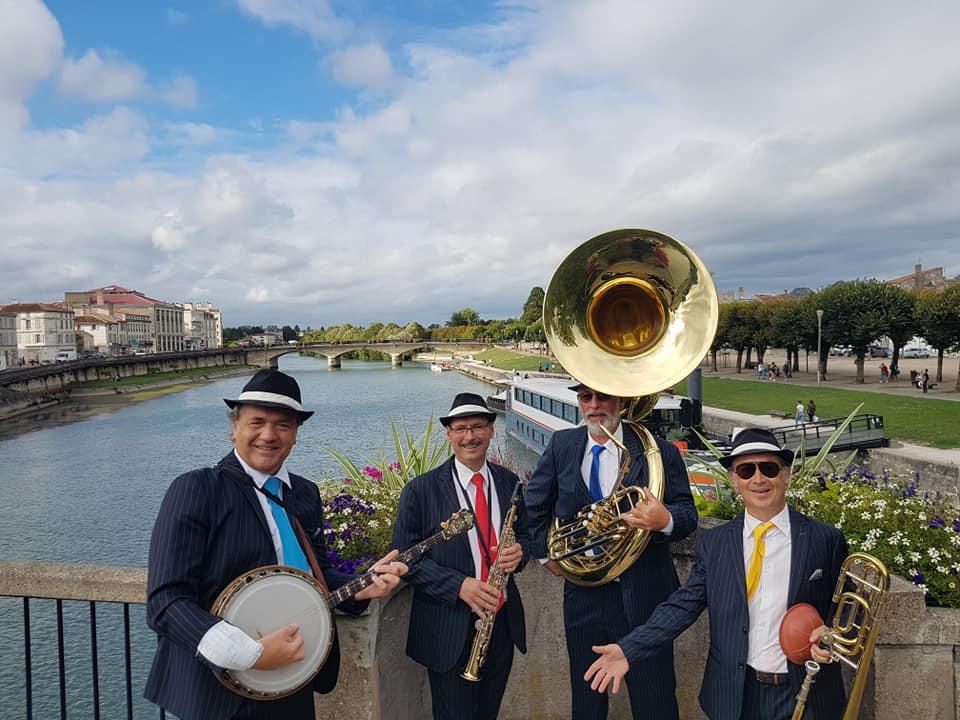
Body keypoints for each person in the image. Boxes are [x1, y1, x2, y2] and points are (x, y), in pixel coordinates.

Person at [145, 369, 407, 720]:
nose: (268, 435)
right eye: (257, 422)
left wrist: (362, 586)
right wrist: (249, 655)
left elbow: (316, 576)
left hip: (290, 681)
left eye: (283, 424)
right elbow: (165, 601)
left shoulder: (304, 494)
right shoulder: (198, 489)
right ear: (234, 426)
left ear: (296, 434)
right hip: (218, 694)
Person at [585, 427, 848, 720]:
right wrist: (628, 649)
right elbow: (682, 606)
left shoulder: (826, 540)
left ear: (786, 475)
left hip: (805, 693)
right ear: (735, 480)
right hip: (735, 694)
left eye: (769, 469)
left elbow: (844, 613)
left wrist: (828, 637)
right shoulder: (716, 543)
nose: (758, 479)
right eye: (746, 471)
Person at [525, 382, 698, 720]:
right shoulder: (563, 444)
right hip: (584, 598)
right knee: (587, 698)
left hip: (645, 595)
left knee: (656, 699)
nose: (593, 405)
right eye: (585, 397)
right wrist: (547, 557)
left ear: (621, 400)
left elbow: (688, 514)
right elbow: (534, 505)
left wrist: (664, 519)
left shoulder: (658, 451)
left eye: (602, 396)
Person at [392, 392, 528, 720]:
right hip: (448, 629)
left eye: (478, 427)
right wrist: (459, 586)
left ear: (492, 430)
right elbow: (404, 559)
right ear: (449, 434)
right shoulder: (420, 490)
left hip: (500, 625)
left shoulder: (509, 482)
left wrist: (521, 553)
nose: (470, 437)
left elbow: (522, 535)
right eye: (461, 429)